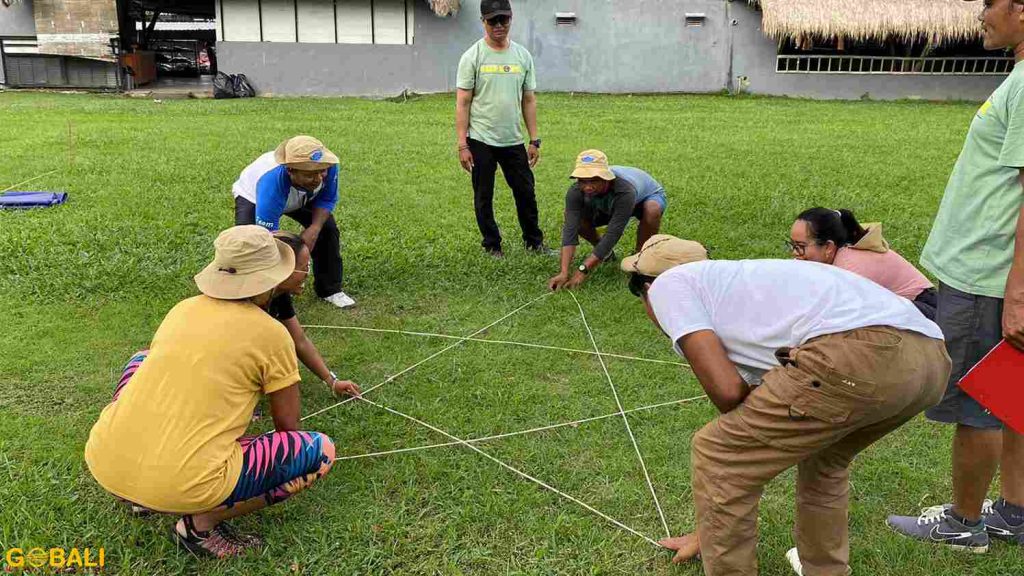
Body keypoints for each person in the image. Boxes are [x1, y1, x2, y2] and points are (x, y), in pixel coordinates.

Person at [622, 235, 950, 575]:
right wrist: (713, 526)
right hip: (929, 358)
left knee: (719, 453)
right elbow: (755, 403)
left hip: (860, 353)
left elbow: (728, 393)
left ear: (648, 286)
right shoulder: (748, 291)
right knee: (824, 460)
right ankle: (825, 570)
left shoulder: (669, 285)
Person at [84, 226, 361, 559]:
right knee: (319, 451)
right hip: (184, 482)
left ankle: (140, 497)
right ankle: (199, 525)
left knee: (142, 360)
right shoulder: (272, 335)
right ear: (274, 276)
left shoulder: (182, 309)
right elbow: (288, 427)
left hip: (105, 461)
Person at [887, 0, 1024, 552]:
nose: (981, 15)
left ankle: (963, 523)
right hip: (993, 272)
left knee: (979, 400)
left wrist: (1016, 293)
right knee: (1012, 395)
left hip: (988, 274)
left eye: (988, 4)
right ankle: (1015, 511)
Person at [456, 0, 553, 259]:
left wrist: (534, 140)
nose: (499, 25)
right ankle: (492, 245)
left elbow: (528, 100)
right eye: (492, 21)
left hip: (513, 139)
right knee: (484, 196)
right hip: (480, 139)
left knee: (525, 191)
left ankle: (534, 241)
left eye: (503, 20)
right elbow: (463, 102)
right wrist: (463, 144)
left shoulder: (522, 56)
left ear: (511, 18)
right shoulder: (472, 57)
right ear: (483, 22)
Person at [233, 135, 355, 309]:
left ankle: (330, 289)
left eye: (322, 172)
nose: (319, 178)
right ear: (290, 170)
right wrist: (291, 266)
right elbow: (269, 239)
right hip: (253, 196)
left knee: (327, 230)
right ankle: (248, 292)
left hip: (303, 194)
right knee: (251, 243)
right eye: (310, 174)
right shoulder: (270, 183)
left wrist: (314, 228)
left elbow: (327, 199)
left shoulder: (328, 166)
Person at [548, 150, 667, 291]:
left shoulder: (625, 190)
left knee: (652, 210)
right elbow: (570, 230)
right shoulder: (575, 192)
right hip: (607, 203)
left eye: (593, 180)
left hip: (644, 199)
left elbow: (613, 233)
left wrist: (582, 270)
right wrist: (564, 272)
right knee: (573, 218)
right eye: (582, 181)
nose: (587, 186)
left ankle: (639, 258)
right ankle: (606, 254)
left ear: (606, 178)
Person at [788, 207, 937, 319]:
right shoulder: (840, 255)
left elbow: (836, 315)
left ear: (828, 247)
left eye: (800, 247)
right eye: (793, 245)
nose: (795, 253)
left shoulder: (849, 267)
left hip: (928, 309)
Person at [269, 231, 359, 397]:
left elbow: (299, 340)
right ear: (283, 270)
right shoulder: (246, 303)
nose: (307, 274)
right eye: (303, 268)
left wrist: (332, 381)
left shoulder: (277, 293)